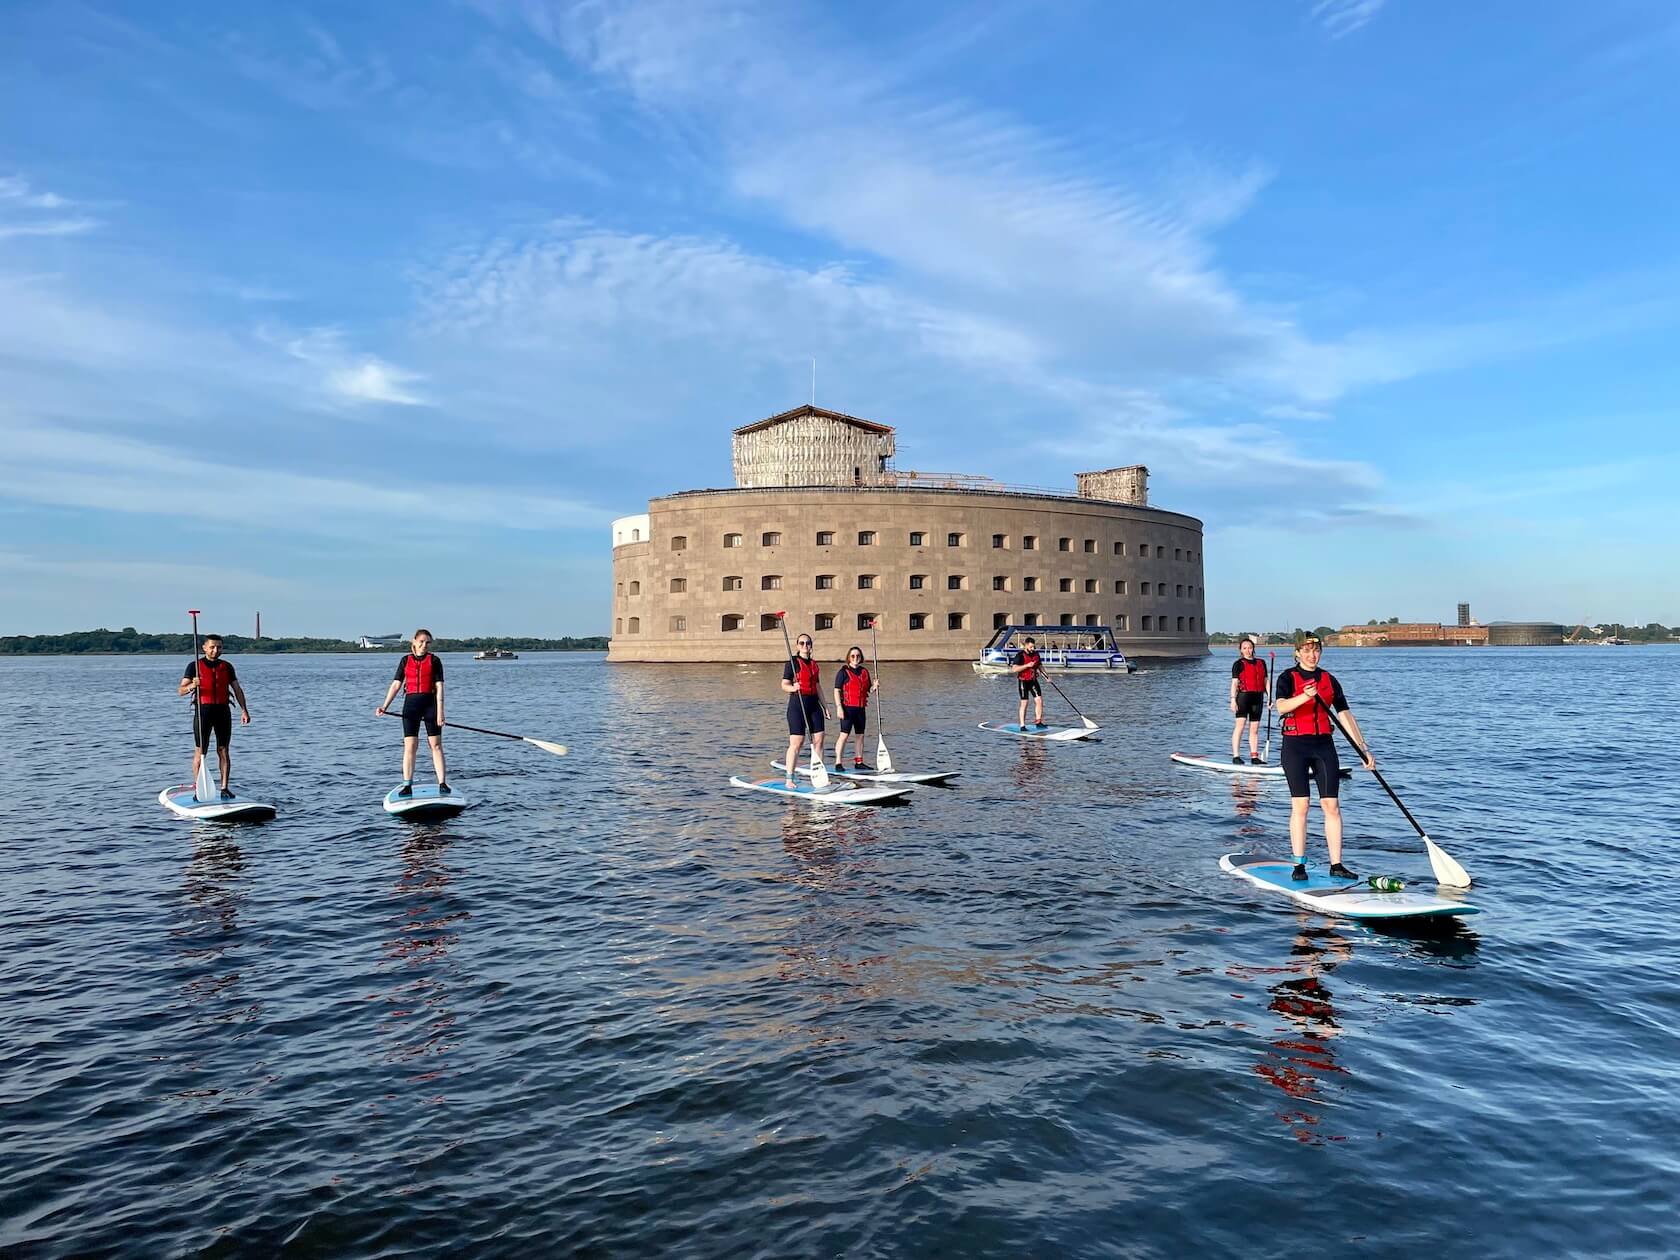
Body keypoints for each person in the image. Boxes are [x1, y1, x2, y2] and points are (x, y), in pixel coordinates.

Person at [1273, 635, 1374, 882]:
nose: (1312, 655)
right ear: (1297, 653)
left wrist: (1364, 749)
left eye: (1316, 650)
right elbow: (1282, 707)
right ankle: (1299, 865)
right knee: (1302, 805)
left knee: (1332, 805)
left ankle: (1336, 864)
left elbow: (1345, 714)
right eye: (1306, 651)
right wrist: (1305, 696)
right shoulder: (1287, 677)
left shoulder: (1329, 680)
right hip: (1295, 745)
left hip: (1323, 745)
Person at [177, 633, 251, 800]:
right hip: (203, 712)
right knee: (200, 752)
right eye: (212, 647)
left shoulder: (227, 666)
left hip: (223, 712)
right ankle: (199, 789)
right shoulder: (194, 666)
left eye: (219, 647)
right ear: (204, 648)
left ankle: (224, 788)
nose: (215, 650)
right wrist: (192, 686)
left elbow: (237, 690)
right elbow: (180, 690)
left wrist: (244, 710)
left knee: (223, 750)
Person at [376, 628, 449, 797]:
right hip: (410, 707)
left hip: (430, 705)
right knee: (410, 746)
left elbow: (439, 687)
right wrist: (384, 706)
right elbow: (396, 685)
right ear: (414, 642)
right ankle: (407, 784)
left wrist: (441, 713)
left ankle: (442, 783)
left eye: (428, 642)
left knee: (436, 745)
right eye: (422, 641)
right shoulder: (405, 661)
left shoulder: (435, 660)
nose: (425, 645)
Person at [781, 632, 828, 786]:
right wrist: (793, 687)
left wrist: (825, 706)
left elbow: (818, 687)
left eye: (808, 643)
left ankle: (818, 775)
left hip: (814, 705)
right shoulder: (792, 663)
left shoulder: (814, 665)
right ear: (797, 646)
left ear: (811, 646)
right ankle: (789, 778)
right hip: (797, 705)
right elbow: (784, 684)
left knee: (819, 740)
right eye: (802, 643)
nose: (805, 646)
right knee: (797, 742)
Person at [832, 646, 876, 771]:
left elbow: (869, 689)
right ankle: (838, 763)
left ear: (860, 657)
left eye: (858, 656)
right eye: (853, 656)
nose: (855, 658)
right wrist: (839, 707)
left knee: (860, 736)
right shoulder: (843, 672)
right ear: (849, 658)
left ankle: (859, 761)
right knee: (844, 735)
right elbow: (836, 691)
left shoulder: (864, 672)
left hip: (860, 709)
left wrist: (874, 687)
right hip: (847, 709)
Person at [1230, 636, 1269, 764]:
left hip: (1258, 697)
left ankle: (1254, 757)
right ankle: (1236, 756)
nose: (1248, 650)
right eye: (1245, 648)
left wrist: (1270, 697)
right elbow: (1234, 684)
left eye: (1250, 648)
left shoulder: (1261, 663)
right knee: (1240, 726)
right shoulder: (1238, 664)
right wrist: (1232, 700)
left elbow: (1266, 681)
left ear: (1253, 649)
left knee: (1254, 729)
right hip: (1243, 697)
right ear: (1241, 650)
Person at [1010, 635, 1045, 729]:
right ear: (1025, 645)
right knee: (1024, 703)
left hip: (1033, 681)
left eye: (1033, 647)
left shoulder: (1036, 654)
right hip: (1023, 682)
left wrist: (1046, 676)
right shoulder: (1020, 655)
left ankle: (1038, 722)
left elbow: (1040, 666)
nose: (1032, 649)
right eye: (1030, 647)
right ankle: (1022, 725)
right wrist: (1027, 666)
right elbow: (1014, 669)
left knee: (1039, 700)